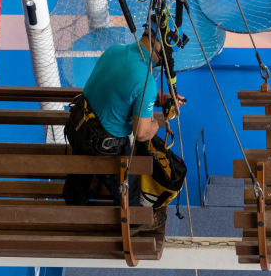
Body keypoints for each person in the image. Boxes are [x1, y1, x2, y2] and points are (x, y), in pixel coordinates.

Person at [62, 31, 185, 207]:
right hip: (102, 146)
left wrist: (154, 99)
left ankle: (73, 204)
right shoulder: (146, 81)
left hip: (78, 128)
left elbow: (120, 90)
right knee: (130, 186)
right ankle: (134, 223)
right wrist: (155, 125)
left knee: (80, 175)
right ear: (163, 49)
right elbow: (141, 133)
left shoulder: (114, 51)